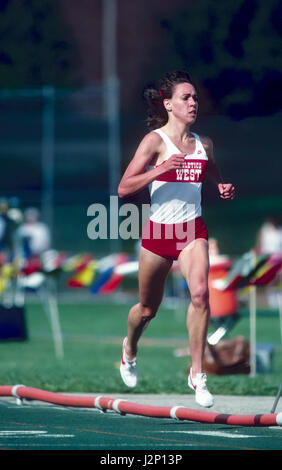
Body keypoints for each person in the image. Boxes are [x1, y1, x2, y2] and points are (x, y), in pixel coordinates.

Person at [118, 71, 235, 407]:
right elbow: (124, 188)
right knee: (147, 309)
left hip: (191, 231)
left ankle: (197, 375)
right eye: (186, 98)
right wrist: (161, 169)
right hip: (158, 234)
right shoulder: (154, 142)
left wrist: (219, 184)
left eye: (195, 98)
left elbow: (209, 166)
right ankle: (130, 348)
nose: (193, 103)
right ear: (168, 104)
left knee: (200, 293)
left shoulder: (204, 143)